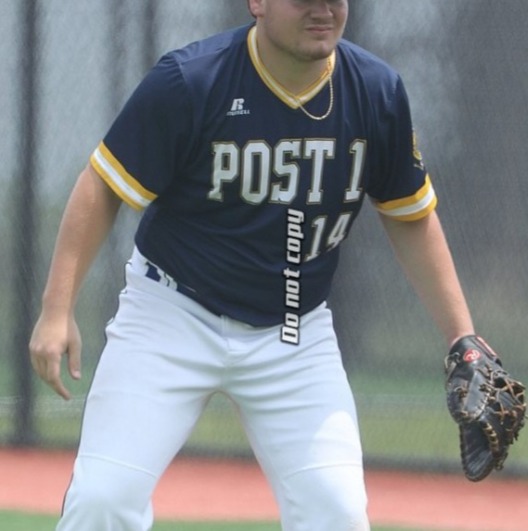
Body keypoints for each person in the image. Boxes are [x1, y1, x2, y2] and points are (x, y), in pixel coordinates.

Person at [29, 1, 476, 530]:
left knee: (336, 511)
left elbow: (409, 216)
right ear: (257, 3)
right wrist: (57, 309)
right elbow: (102, 187)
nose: (323, 9)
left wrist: (461, 336)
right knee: (103, 498)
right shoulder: (192, 80)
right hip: (171, 314)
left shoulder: (374, 91)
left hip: (294, 329)